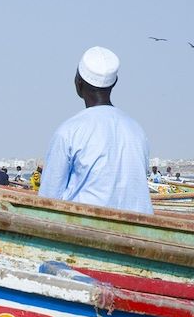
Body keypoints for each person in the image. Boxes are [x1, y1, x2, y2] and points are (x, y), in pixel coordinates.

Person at [39, 46, 153, 214]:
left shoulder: (69, 131)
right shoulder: (136, 130)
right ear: (115, 82)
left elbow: (48, 200)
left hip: (86, 228)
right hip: (139, 229)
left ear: (78, 83)